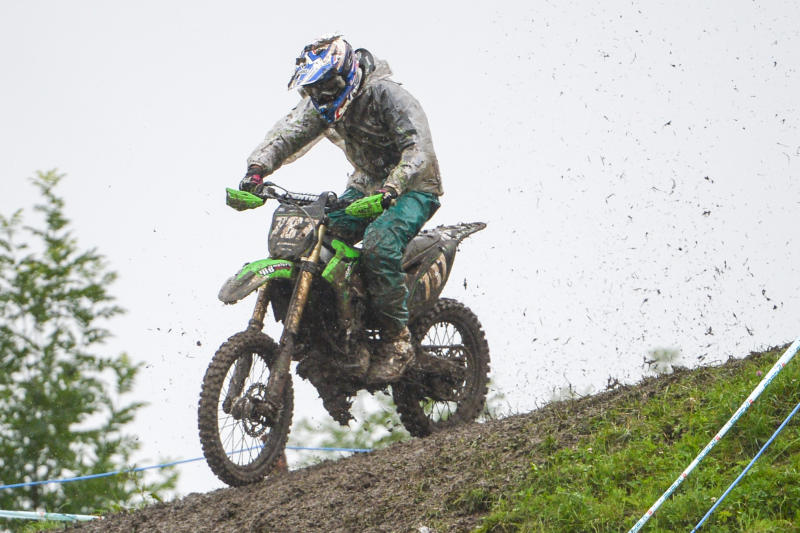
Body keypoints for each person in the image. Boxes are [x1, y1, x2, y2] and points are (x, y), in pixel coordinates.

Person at [240, 35, 443, 383]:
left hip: (414, 186)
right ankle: (341, 325)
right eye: (314, 88)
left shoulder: (388, 96)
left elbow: (418, 150)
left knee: (379, 243)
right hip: (366, 185)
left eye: (326, 85)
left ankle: (397, 340)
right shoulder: (323, 103)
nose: (321, 94)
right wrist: (257, 169)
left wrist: (392, 187)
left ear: (347, 74)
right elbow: (288, 133)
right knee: (316, 232)